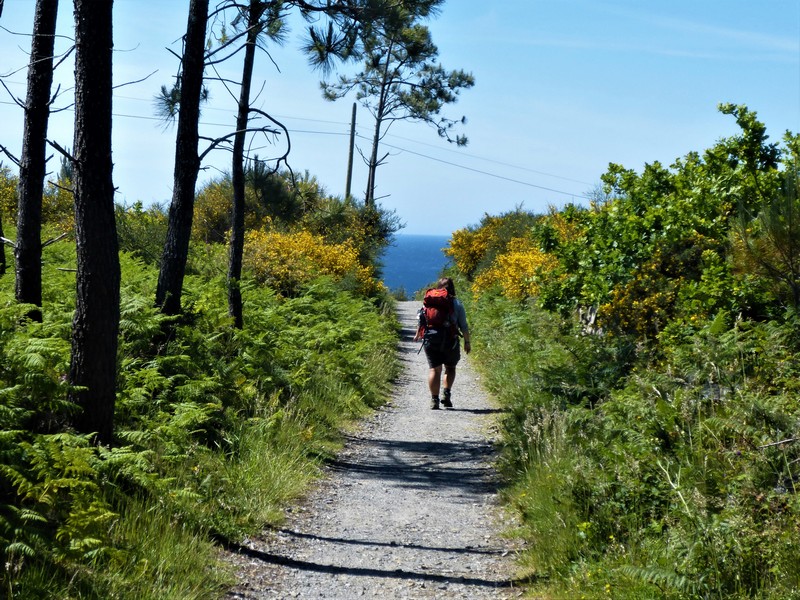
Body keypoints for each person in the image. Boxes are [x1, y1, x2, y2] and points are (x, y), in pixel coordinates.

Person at [414, 277, 471, 409]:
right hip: (450, 340)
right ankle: (446, 394)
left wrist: (418, 334)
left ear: (438, 287)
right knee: (450, 367)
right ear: (452, 288)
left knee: (434, 369)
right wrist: (467, 342)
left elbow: (421, 317)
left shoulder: (428, 301)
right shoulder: (456, 303)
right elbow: (464, 326)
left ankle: (434, 400)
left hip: (430, 339)